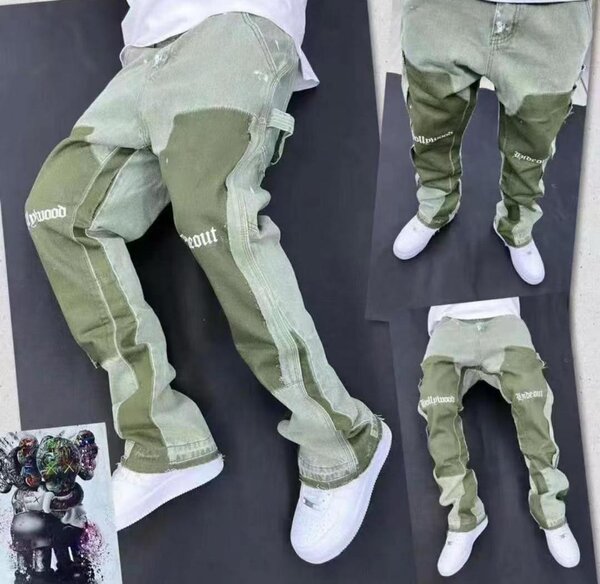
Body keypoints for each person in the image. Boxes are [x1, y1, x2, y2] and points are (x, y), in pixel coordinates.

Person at [24, 0, 391, 564]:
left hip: (232, 25)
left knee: (213, 215)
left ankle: (344, 440)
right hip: (143, 52)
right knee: (58, 212)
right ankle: (164, 441)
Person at [392, 0, 593, 285]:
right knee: (431, 127)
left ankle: (516, 225)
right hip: (442, 11)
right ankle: (435, 205)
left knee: (533, 146)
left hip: (554, 15)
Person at [419, 297, 577, 576]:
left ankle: (551, 511)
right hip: (448, 325)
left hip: (503, 318)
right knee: (436, 406)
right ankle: (465, 517)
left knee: (533, 402)